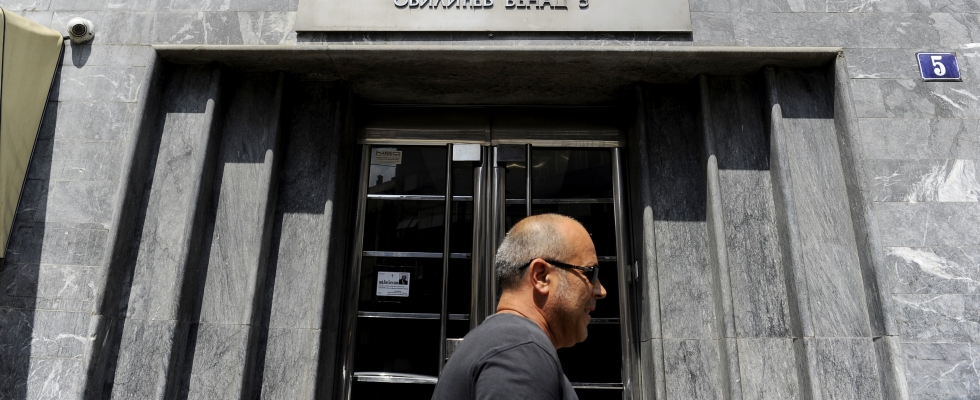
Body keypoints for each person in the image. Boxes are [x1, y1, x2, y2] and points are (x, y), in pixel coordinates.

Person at [432, 214, 606, 400]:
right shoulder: (520, 352)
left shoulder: (507, 344)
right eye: (591, 273)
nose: (601, 291)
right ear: (541, 277)